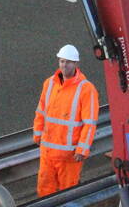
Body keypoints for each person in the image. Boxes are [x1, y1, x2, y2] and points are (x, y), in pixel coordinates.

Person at [32, 44, 99, 197]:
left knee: (68, 194)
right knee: (44, 191)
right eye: (62, 61)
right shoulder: (49, 83)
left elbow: (89, 123)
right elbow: (41, 111)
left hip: (69, 156)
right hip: (47, 152)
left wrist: (82, 149)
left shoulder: (86, 89)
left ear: (76, 64)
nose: (64, 65)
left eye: (68, 62)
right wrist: (37, 134)